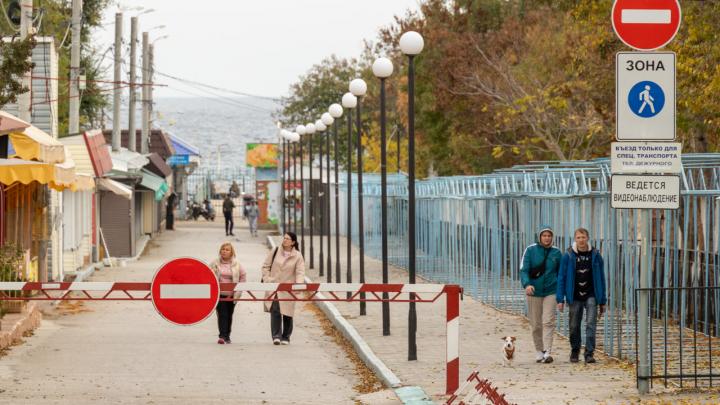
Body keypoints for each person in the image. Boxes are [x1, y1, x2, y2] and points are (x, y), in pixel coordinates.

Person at [557, 228, 607, 364]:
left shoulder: (595, 255)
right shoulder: (568, 255)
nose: (581, 240)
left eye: (583, 237)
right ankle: (575, 350)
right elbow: (561, 277)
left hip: (591, 294)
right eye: (578, 237)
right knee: (574, 325)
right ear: (575, 239)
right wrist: (560, 298)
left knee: (591, 323)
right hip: (574, 295)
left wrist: (602, 300)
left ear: (588, 238)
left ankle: (589, 353)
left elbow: (601, 278)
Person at [520, 225, 562, 364]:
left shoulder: (557, 253)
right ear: (539, 237)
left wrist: (561, 294)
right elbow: (524, 269)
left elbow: (561, 273)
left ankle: (547, 352)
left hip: (551, 290)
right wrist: (527, 284)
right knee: (536, 323)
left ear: (552, 237)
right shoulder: (530, 250)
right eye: (544, 235)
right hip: (534, 291)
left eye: (549, 235)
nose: (547, 238)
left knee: (548, 321)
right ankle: (539, 350)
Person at [261, 232, 305, 345]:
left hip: (288, 288)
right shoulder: (275, 251)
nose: (285, 240)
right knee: (275, 310)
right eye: (284, 238)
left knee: (287, 313)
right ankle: (276, 336)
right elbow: (266, 266)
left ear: (293, 242)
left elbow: (300, 272)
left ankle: (286, 336)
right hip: (274, 286)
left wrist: (299, 285)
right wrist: (267, 278)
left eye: (287, 239)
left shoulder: (298, 256)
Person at [209, 242, 246, 344]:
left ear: (231, 253)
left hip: (232, 295)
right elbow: (208, 275)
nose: (224, 251)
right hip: (219, 294)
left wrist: (239, 289)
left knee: (229, 314)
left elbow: (243, 276)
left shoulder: (237, 264)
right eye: (223, 249)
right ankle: (222, 336)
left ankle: (227, 336)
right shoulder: (215, 263)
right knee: (222, 314)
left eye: (227, 250)